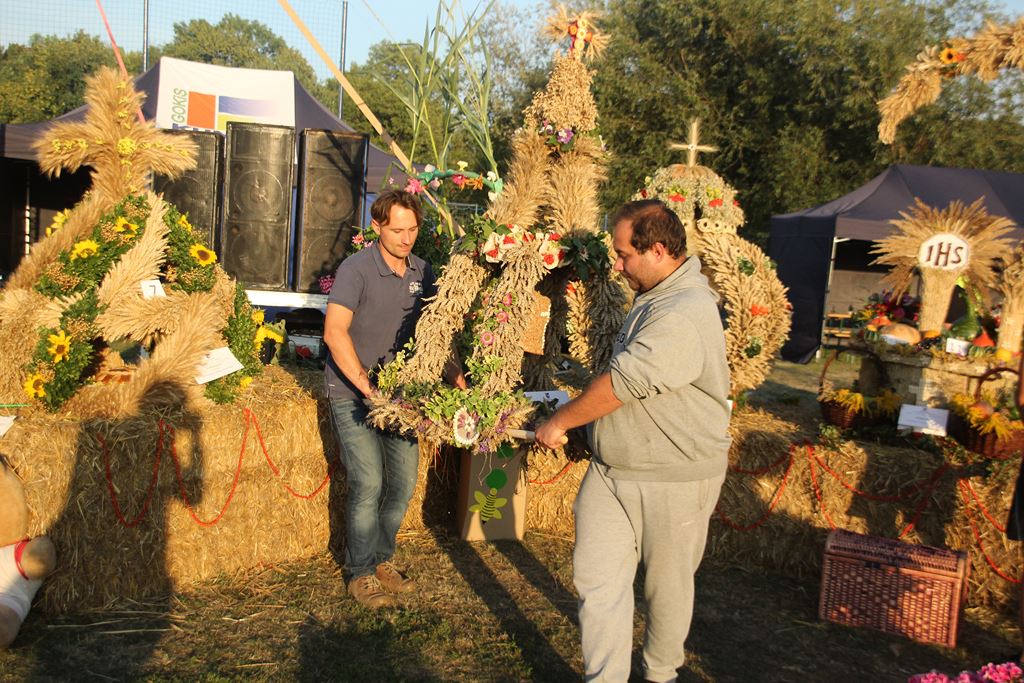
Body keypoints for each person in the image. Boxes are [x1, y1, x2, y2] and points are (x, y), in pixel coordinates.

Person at [535, 199, 731, 682]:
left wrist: (562, 419)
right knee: (596, 581)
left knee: (666, 589)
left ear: (659, 249)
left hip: (675, 477)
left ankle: (661, 673)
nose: (617, 265)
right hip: (613, 471)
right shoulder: (657, 296)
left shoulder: (684, 311)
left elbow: (624, 382)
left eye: (623, 255)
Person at [323, 189, 461, 609]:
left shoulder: (424, 271)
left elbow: (433, 335)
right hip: (353, 393)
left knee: (400, 484)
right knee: (368, 482)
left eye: (413, 229)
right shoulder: (356, 270)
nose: (406, 238)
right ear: (378, 226)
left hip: (403, 399)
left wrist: (457, 376)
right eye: (397, 230)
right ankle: (360, 572)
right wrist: (368, 389)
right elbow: (334, 332)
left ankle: (382, 558)